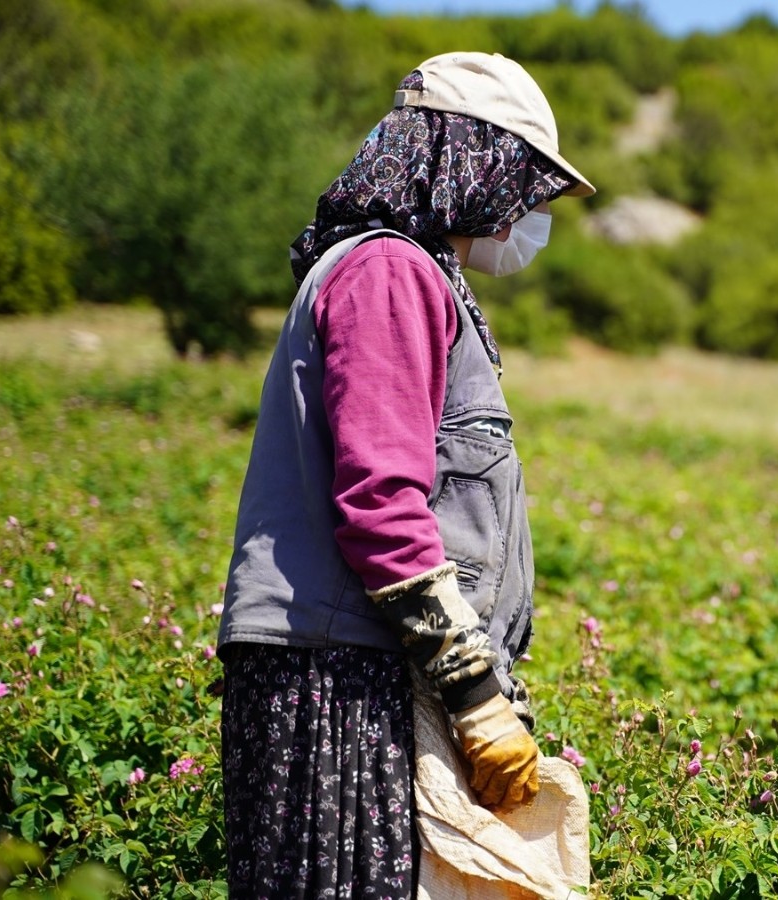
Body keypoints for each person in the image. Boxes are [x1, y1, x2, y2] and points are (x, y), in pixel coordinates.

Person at [214, 51, 594, 897]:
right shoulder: (389, 273)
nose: (529, 214)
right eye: (526, 183)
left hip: (361, 666)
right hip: (338, 677)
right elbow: (382, 503)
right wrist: (473, 690)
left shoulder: (410, 274)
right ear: (470, 160)